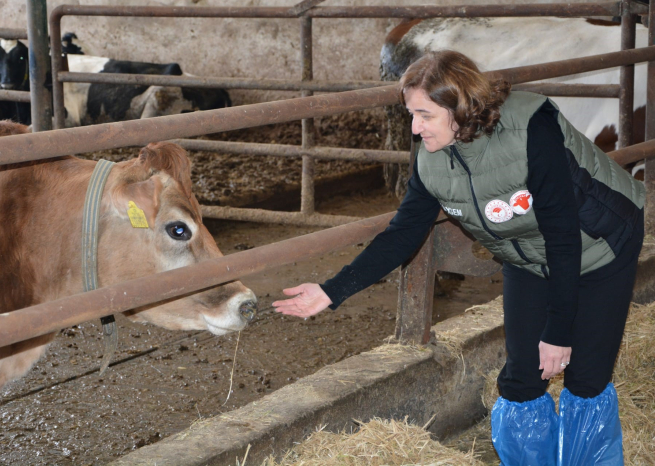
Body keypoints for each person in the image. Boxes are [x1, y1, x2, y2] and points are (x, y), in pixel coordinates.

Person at [273, 50, 644, 466]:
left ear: (461, 109)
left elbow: (561, 232)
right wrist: (331, 291)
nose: (415, 129)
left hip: (600, 244)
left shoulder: (530, 129)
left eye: (424, 115)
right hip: (527, 259)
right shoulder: (432, 162)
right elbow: (402, 234)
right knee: (522, 380)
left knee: (586, 379)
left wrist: (558, 331)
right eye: (410, 115)